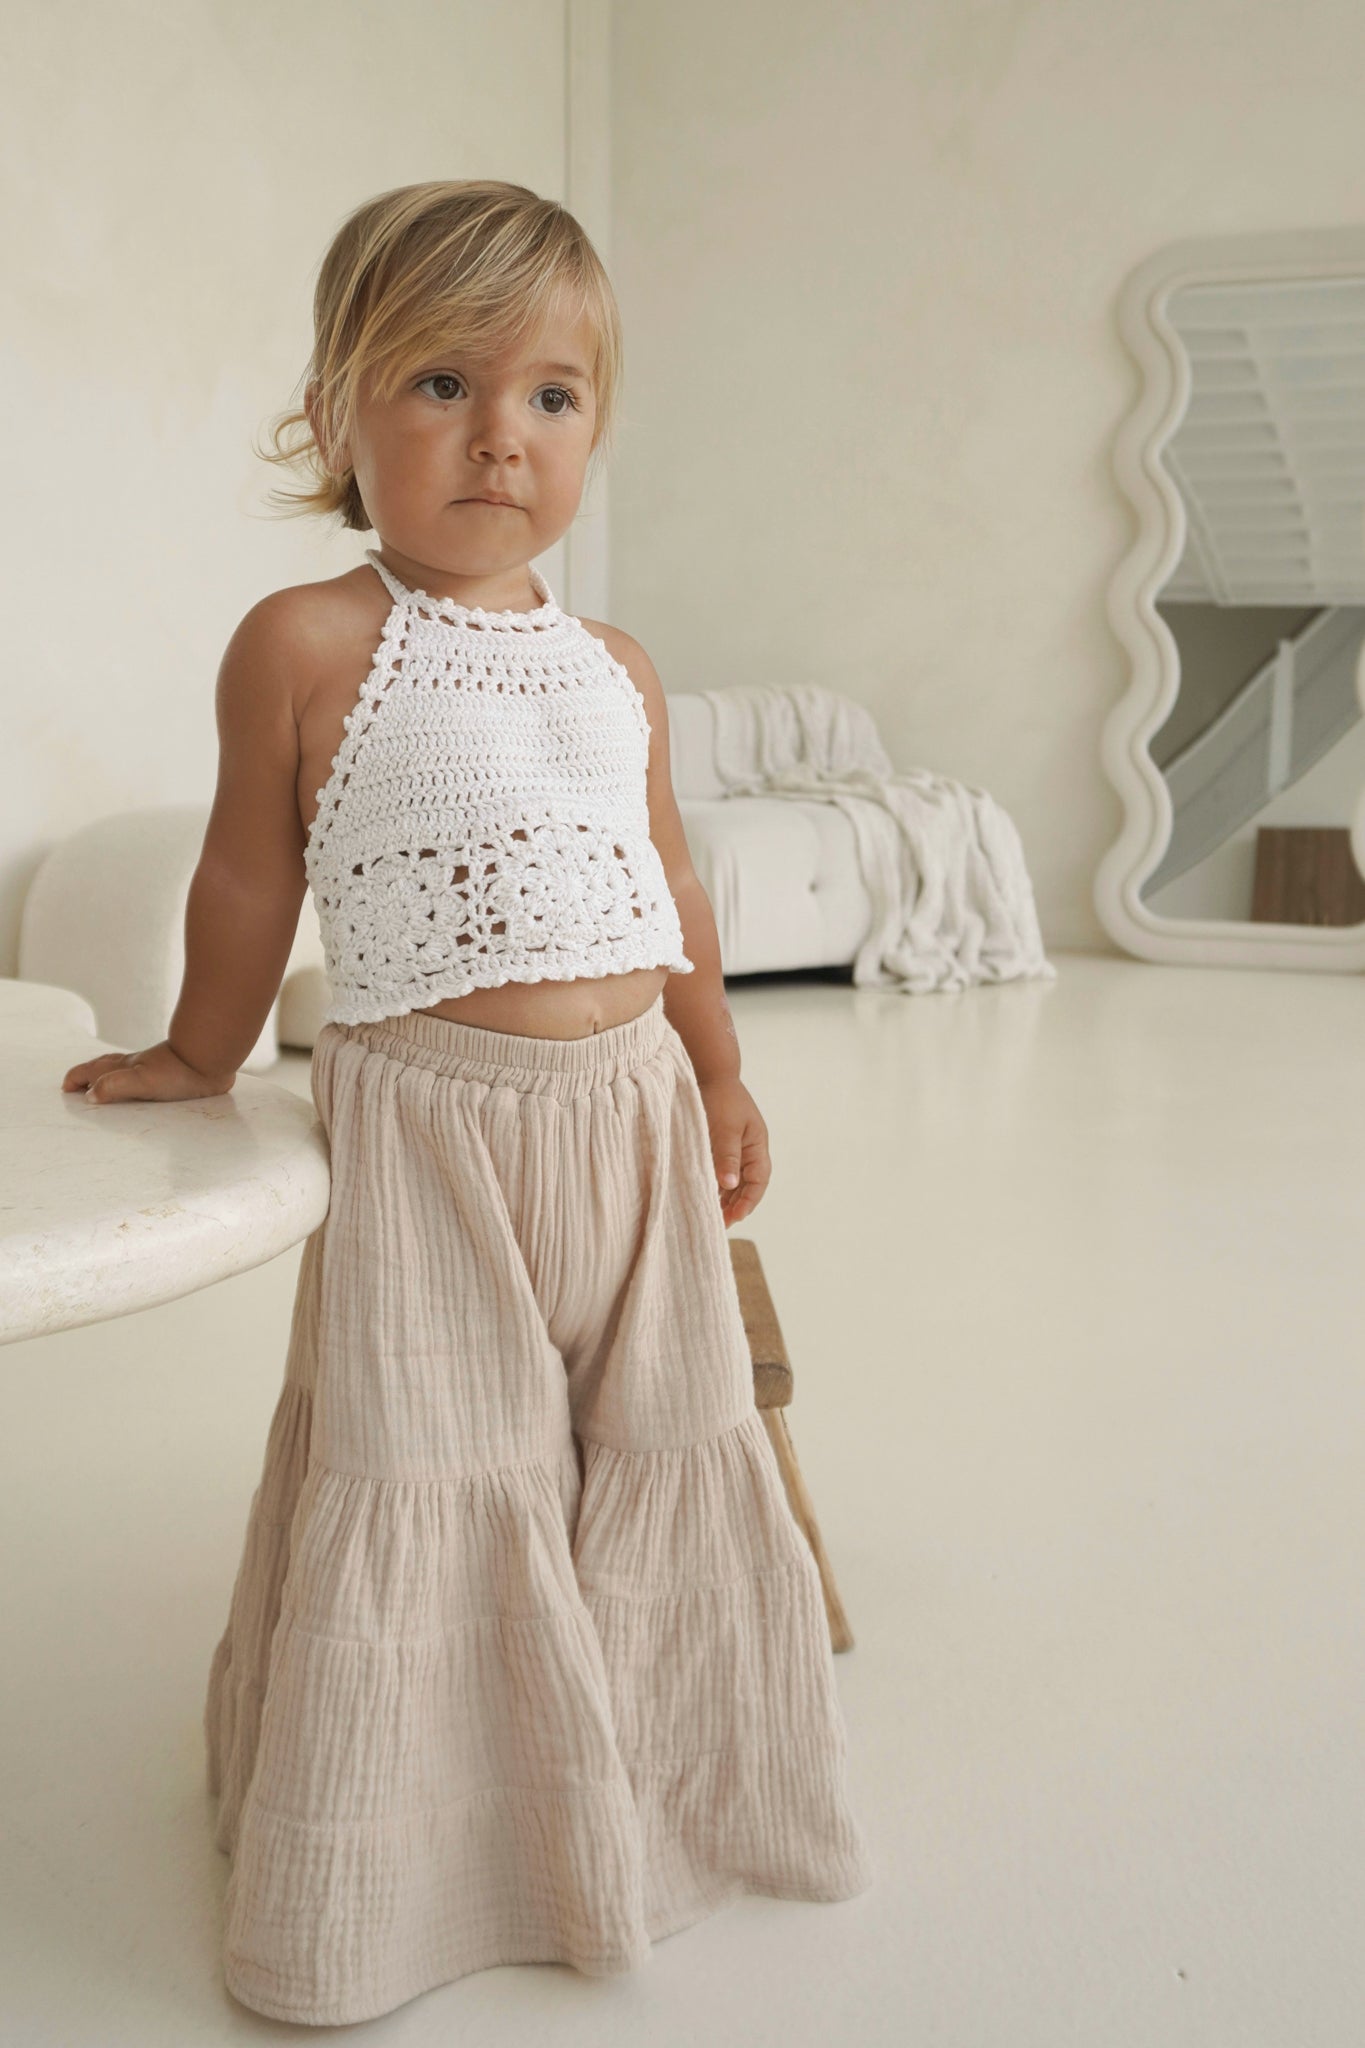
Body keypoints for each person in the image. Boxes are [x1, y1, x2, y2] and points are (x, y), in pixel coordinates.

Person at [60, 178, 873, 2026]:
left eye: (550, 397)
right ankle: (405, 1869)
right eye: (441, 383)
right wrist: (197, 1051)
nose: (501, 435)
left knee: (657, 1437)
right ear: (335, 417)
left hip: (631, 1122)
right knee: (437, 1457)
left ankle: (651, 1803)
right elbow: (248, 877)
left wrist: (719, 1064)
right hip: (434, 1132)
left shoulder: (613, 667)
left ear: (592, 426)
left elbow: (666, 885)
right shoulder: (306, 639)